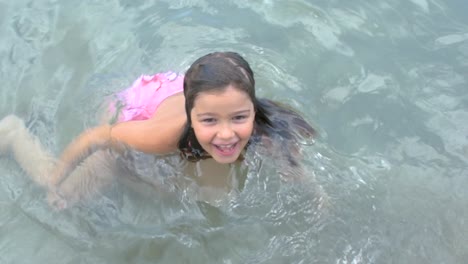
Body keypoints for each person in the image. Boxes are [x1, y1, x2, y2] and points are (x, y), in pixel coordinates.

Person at [0, 51, 315, 209]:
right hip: (137, 113)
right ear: (192, 117)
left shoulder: (253, 119)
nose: (226, 134)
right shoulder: (163, 134)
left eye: (238, 118)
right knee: (60, 200)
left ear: (252, 108)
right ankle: (13, 134)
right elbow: (99, 138)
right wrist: (57, 179)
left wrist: (316, 196)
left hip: (198, 92)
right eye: (209, 122)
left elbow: (296, 166)